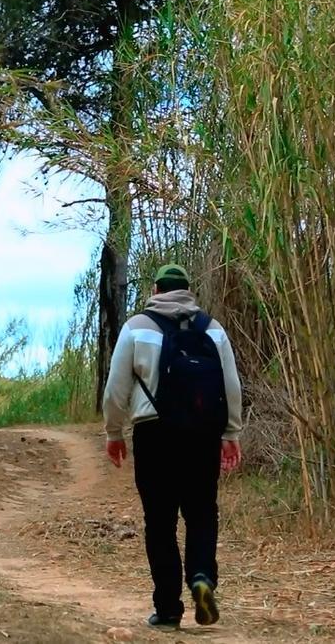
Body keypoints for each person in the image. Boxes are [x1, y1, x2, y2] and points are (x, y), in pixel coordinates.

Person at [101, 263, 243, 630]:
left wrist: (113, 432)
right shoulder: (213, 329)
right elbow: (231, 387)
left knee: (160, 523)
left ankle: (167, 610)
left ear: (156, 289)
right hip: (202, 435)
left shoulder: (137, 327)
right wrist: (230, 433)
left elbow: (116, 388)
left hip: (154, 435)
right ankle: (201, 578)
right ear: (188, 291)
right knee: (201, 513)